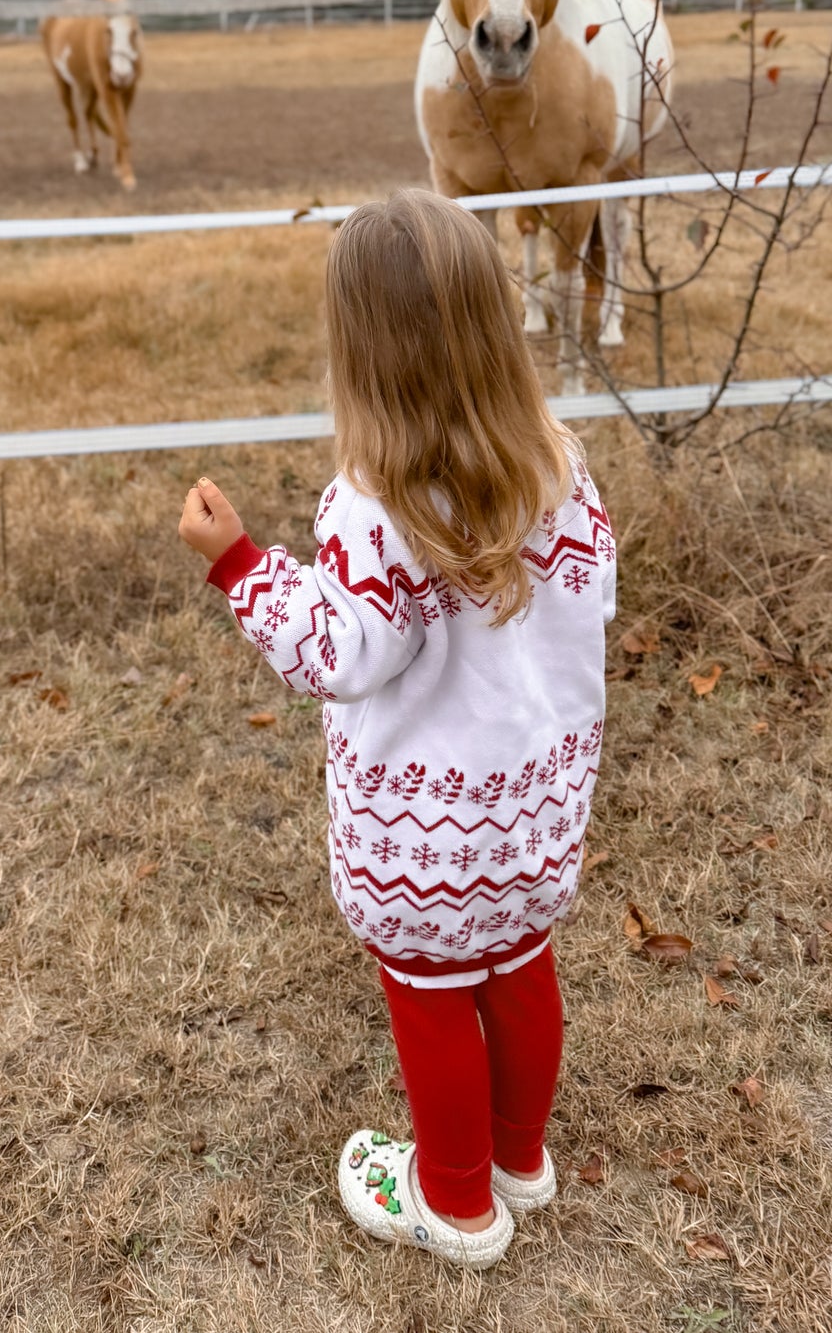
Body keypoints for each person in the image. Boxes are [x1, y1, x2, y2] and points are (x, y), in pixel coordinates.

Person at [178, 189, 615, 1269]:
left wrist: (240, 563)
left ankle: (455, 1203)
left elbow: (340, 656)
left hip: (423, 836)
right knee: (519, 968)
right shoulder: (555, 464)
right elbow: (588, 600)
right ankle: (520, 1160)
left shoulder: (373, 507)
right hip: (537, 807)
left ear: (359, 355)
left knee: (430, 999)